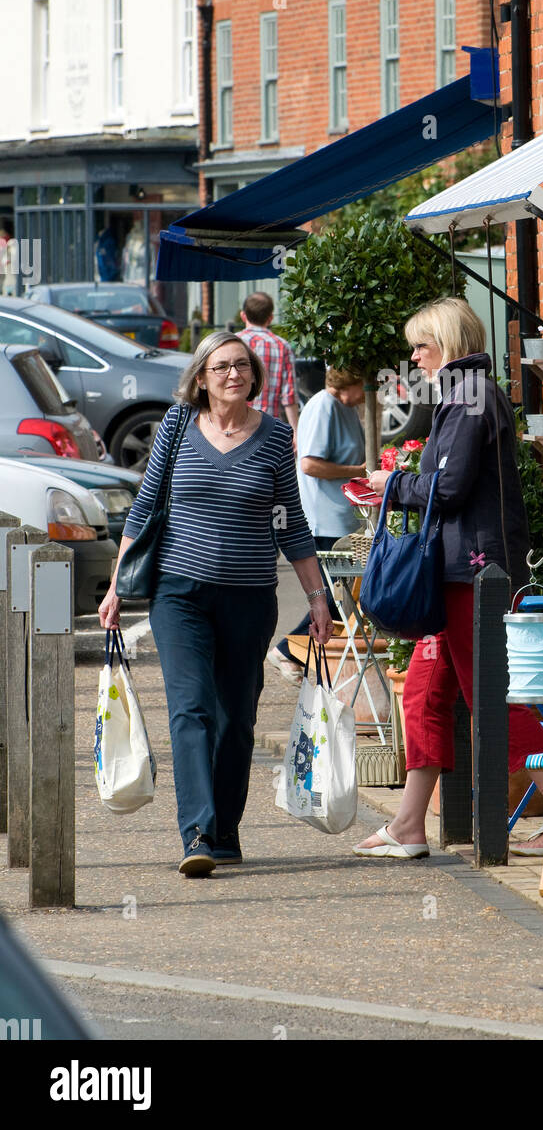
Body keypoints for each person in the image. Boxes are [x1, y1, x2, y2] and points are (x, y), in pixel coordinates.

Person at [352, 297, 543, 860]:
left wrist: (391, 486)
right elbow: (449, 481)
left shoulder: (468, 395)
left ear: (447, 343)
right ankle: (408, 825)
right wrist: (402, 483)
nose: (414, 358)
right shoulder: (463, 394)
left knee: (491, 699)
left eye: (421, 346)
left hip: (473, 574)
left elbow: (449, 487)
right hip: (458, 573)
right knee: (423, 695)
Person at [98, 331, 332, 877]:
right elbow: (143, 509)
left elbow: (291, 524)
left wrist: (317, 597)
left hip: (249, 597)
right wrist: (115, 586)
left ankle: (225, 828)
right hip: (178, 593)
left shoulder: (275, 437)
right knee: (191, 708)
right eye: (222, 366)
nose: (235, 374)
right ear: (201, 377)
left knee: (236, 718)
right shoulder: (177, 426)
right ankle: (198, 831)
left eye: (243, 366)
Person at [266, 367, 366, 682]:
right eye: (366, 384)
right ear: (351, 381)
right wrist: (359, 471)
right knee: (337, 600)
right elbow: (309, 464)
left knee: (343, 599)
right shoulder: (324, 406)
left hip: (341, 517)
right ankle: (287, 650)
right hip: (324, 520)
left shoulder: (346, 407)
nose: (369, 393)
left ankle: (298, 655)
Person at [238, 291, 298, 440]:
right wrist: (295, 432)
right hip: (269, 428)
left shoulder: (233, 342)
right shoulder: (282, 346)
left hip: (236, 425)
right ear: (270, 318)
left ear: (243, 316)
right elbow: (289, 395)